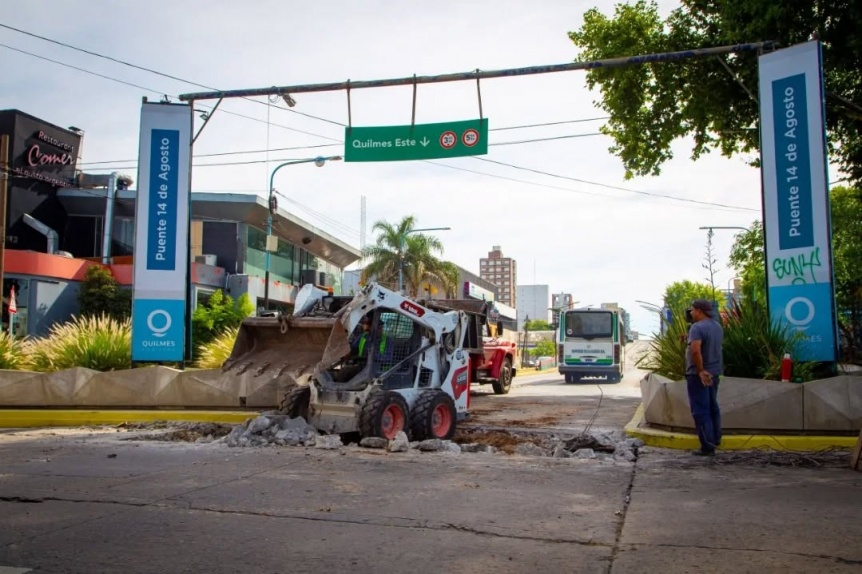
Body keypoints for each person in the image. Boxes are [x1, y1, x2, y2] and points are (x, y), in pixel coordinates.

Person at [685, 299, 724, 456]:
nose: (691, 313)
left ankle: (707, 446)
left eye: (692, 310)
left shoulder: (697, 327)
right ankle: (715, 439)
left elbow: (696, 351)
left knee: (700, 410)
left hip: (698, 375)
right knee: (712, 407)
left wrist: (700, 371)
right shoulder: (717, 326)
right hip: (714, 373)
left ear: (700, 311)